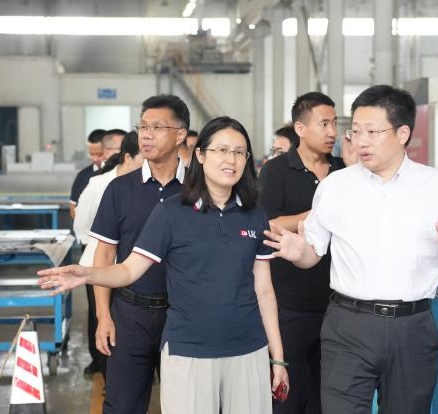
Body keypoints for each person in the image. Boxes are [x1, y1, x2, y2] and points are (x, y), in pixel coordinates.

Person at [38, 116, 289, 414]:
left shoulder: (255, 215)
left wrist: (277, 358)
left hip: (249, 349)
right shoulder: (171, 212)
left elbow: (264, 291)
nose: (230, 159)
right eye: (221, 150)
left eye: (239, 152)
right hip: (188, 350)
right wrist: (87, 274)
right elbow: (129, 270)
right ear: (200, 155)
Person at [264, 84, 438, 414]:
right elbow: (313, 252)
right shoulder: (336, 186)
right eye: (355, 131)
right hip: (348, 325)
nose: (361, 141)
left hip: (412, 327)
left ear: (402, 133)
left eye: (372, 132)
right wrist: (300, 254)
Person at [89, 95, 189, 414]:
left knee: (189, 404)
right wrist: (104, 316)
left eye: (157, 127)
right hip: (131, 315)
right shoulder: (120, 189)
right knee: (122, 405)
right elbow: (105, 255)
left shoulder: (198, 190)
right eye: (143, 127)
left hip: (184, 316)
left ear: (181, 134)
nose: (146, 135)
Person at [258, 92, 345, 414]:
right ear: (300, 128)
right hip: (290, 305)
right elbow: (267, 224)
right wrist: (317, 214)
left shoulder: (344, 172)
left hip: (338, 305)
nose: (332, 132)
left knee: (327, 398)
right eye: (323, 124)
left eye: (334, 124)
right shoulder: (276, 171)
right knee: (288, 397)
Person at [73, 130, 143, 377]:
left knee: (124, 322)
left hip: (132, 265)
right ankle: (105, 371)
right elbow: (81, 225)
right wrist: (98, 245)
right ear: (128, 157)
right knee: (101, 317)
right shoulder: (99, 183)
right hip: (98, 261)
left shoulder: (146, 186)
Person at [69, 129, 105, 219]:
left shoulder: (118, 173)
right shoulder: (82, 176)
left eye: (99, 155)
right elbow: (73, 209)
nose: (94, 159)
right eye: (92, 154)